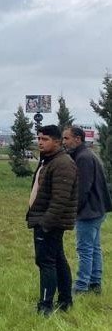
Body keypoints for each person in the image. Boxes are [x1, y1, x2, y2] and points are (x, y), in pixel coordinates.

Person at [27, 125, 78, 316]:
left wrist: (45, 225)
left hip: (50, 223)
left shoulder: (62, 163)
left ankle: (45, 305)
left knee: (46, 262)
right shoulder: (48, 160)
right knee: (57, 259)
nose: (40, 142)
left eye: (45, 139)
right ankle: (65, 300)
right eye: (39, 138)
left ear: (57, 141)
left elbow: (60, 199)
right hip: (45, 219)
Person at [63, 126, 112, 294]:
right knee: (94, 248)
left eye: (66, 138)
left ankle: (81, 286)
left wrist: (73, 210)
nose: (64, 142)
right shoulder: (87, 154)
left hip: (89, 211)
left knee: (84, 250)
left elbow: (82, 188)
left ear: (77, 139)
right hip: (98, 209)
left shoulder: (83, 158)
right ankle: (95, 283)